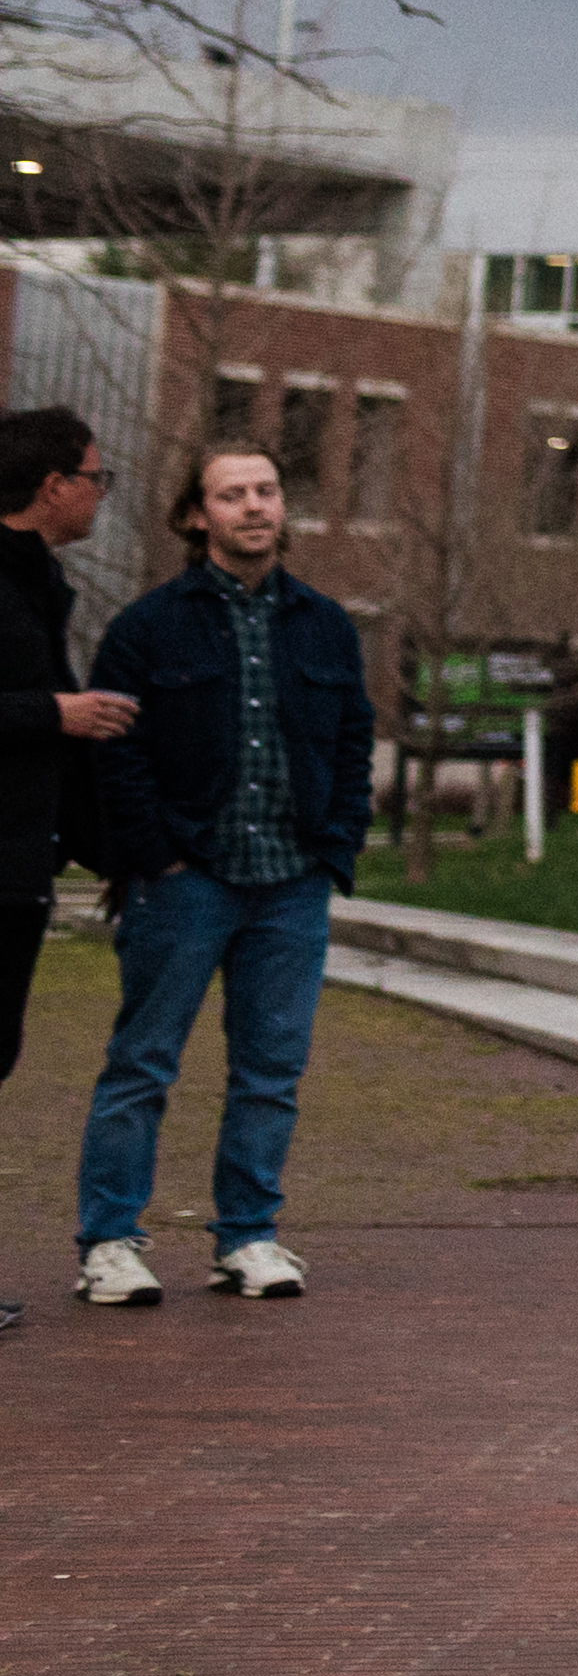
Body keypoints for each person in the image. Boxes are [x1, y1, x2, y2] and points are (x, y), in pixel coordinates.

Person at [69, 443, 365, 1305]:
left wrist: (337, 842)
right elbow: (115, 758)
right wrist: (155, 853)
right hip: (185, 882)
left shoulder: (324, 624)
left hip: (292, 882)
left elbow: (352, 739)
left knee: (271, 1071)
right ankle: (111, 1242)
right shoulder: (147, 628)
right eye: (232, 494)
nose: (254, 507)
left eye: (267, 490)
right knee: (143, 1064)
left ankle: (248, 1236)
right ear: (196, 515)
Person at [0, 414, 146, 1225]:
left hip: (20, 870)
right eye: (97, 478)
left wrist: (109, 850)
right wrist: (53, 713)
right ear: (53, 485)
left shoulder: (39, 584)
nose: (101, 494)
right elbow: (46, 721)